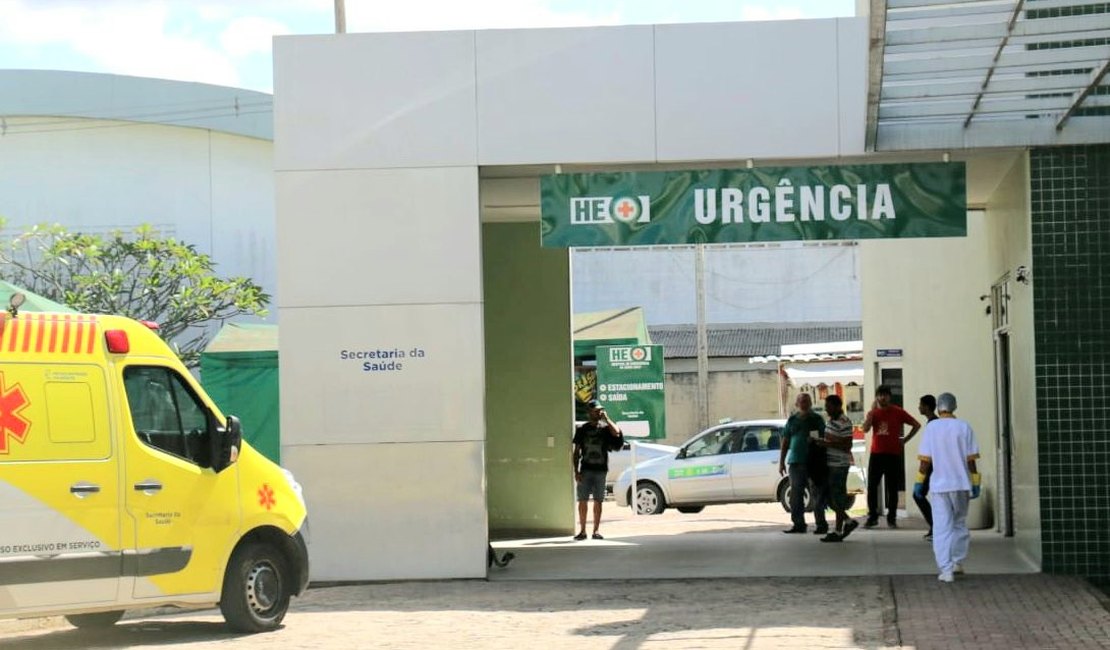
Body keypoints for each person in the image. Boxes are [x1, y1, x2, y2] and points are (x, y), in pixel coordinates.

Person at [914, 392, 980, 583]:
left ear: (938, 408)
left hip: (939, 486)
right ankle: (958, 562)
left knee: (942, 528)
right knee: (959, 523)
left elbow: (925, 461)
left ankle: (946, 569)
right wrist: (975, 482)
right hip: (961, 484)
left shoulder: (932, 428)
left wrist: (919, 482)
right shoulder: (964, 427)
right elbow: (971, 460)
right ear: (954, 407)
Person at [862, 385, 921, 528]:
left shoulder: (898, 412)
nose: (882, 398)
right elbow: (865, 429)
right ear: (876, 397)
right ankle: (873, 517)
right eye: (880, 395)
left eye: (885, 395)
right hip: (876, 454)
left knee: (892, 487)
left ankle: (892, 517)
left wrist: (905, 439)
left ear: (889, 396)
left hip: (893, 454)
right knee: (872, 487)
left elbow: (916, 424)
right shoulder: (874, 413)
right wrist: (870, 414)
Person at [572, 400, 623, 541]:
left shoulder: (605, 429)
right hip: (586, 470)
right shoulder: (582, 430)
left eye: (600, 410)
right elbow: (576, 452)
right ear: (589, 412)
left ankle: (596, 530)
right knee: (582, 500)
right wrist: (576, 471)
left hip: (601, 470)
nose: (598, 412)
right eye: (596, 410)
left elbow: (617, 433)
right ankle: (582, 531)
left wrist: (607, 419)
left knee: (598, 501)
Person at [778, 393, 827, 534]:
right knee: (795, 494)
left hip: (813, 461)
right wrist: (781, 462)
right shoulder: (792, 420)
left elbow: (821, 437)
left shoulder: (816, 419)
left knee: (816, 493)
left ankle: (821, 524)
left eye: (807, 401)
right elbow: (785, 442)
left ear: (811, 403)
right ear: (797, 404)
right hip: (795, 462)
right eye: (801, 401)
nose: (804, 404)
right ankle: (798, 524)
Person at [816, 394, 859, 542]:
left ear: (837, 407)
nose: (826, 410)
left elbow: (847, 445)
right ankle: (848, 522)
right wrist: (820, 441)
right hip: (829, 463)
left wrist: (826, 444)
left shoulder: (844, 422)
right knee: (828, 497)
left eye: (829, 407)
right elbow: (830, 439)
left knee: (837, 497)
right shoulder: (830, 421)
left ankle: (838, 530)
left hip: (839, 465)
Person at [914, 394, 939, 541]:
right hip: (933, 466)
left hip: (931, 467)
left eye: (921, 404)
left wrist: (920, 476)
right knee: (921, 495)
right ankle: (934, 526)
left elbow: (928, 452)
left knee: (918, 495)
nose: (919, 407)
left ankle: (935, 527)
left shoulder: (933, 424)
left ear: (927, 407)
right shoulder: (932, 423)